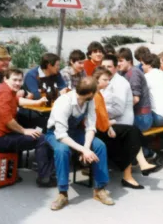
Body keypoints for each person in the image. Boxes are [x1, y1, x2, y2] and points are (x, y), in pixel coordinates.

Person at [46, 77, 114, 211]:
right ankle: (63, 193)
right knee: (62, 150)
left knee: (99, 145)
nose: (98, 94)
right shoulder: (63, 102)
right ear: (90, 93)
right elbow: (61, 135)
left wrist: (86, 148)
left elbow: (90, 127)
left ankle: (99, 189)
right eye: (97, 91)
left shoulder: (89, 101)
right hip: (55, 133)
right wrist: (83, 149)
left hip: (75, 132)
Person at [0, 68, 56, 187]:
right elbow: (8, 121)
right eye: (14, 80)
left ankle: (17, 167)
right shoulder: (4, 93)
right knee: (41, 139)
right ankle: (45, 178)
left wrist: (37, 103)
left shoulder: (6, 89)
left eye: (20, 80)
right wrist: (24, 131)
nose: (18, 83)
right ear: (6, 79)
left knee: (30, 127)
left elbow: (18, 100)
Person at [93, 67, 161, 189]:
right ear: (96, 80)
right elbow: (95, 119)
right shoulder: (94, 95)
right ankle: (135, 170)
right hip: (95, 131)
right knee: (130, 133)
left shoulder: (99, 93)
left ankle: (134, 171)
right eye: (105, 80)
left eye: (108, 80)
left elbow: (101, 117)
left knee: (131, 132)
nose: (108, 82)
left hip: (103, 127)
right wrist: (110, 124)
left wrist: (109, 125)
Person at [19, 53, 67, 131]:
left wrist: (48, 93)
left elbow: (65, 90)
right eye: (57, 65)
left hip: (48, 110)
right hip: (31, 112)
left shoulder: (56, 74)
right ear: (49, 65)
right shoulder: (32, 75)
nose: (59, 67)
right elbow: (37, 96)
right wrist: (57, 93)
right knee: (48, 128)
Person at [117, 48, 153, 132]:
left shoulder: (134, 73)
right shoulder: (123, 72)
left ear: (129, 60)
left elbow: (136, 99)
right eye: (117, 61)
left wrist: (121, 111)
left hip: (142, 117)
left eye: (121, 61)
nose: (118, 64)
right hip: (138, 115)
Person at [141, 53, 163, 127]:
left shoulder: (147, 77)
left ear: (149, 65)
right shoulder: (161, 73)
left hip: (159, 118)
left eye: (143, 64)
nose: (142, 67)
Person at [101, 54, 134, 125]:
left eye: (109, 67)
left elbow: (118, 110)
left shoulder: (120, 83)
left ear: (116, 68)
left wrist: (98, 112)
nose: (105, 69)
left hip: (121, 124)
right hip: (109, 121)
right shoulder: (104, 80)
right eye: (103, 67)